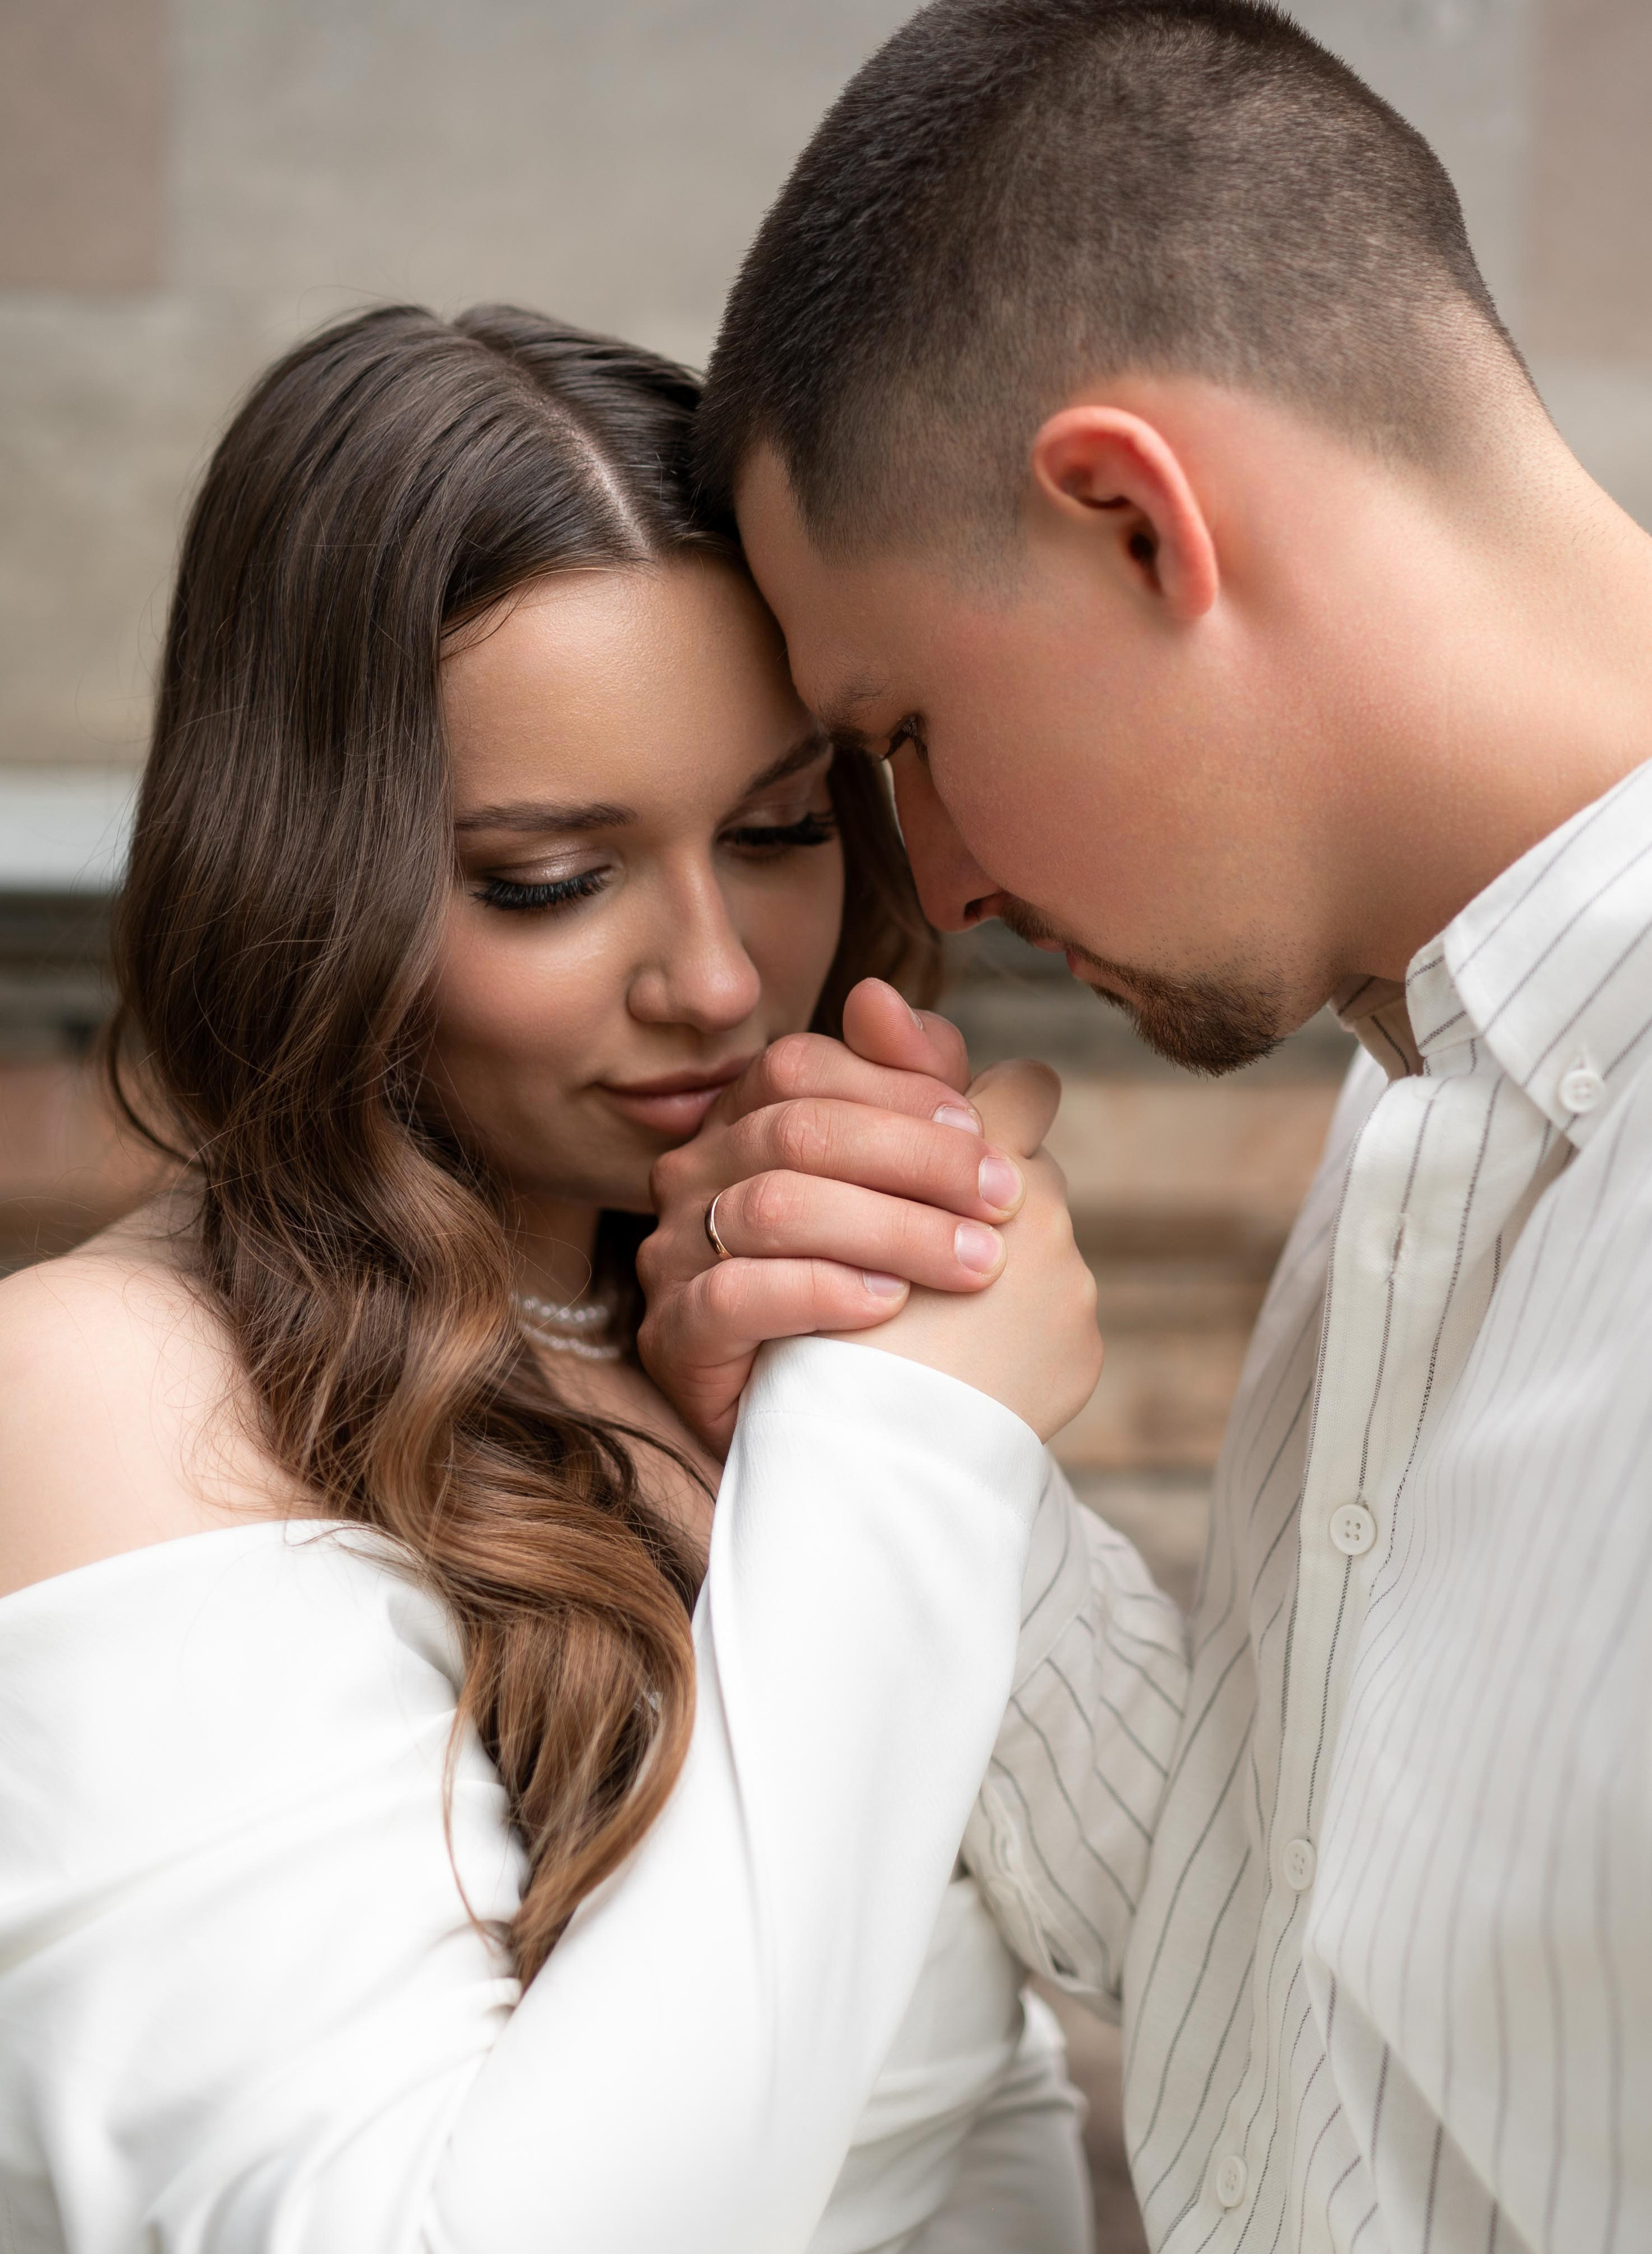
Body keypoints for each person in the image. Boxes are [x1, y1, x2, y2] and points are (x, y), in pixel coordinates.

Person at [0, 305, 1182, 2254]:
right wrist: (904, 1450)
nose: (714, 977)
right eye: (549, 879)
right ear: (307, 880)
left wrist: (922, 1436)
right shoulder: (106, 1391)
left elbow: (1233, 1973)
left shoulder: (758, 1334)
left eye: (780, 829)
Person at [634, 3, 1652, 2249]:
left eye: (904, 727)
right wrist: (890, 1417)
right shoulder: (1424, 1108)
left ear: (1130, 520)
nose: (940, 885)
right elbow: (1303, 2012)